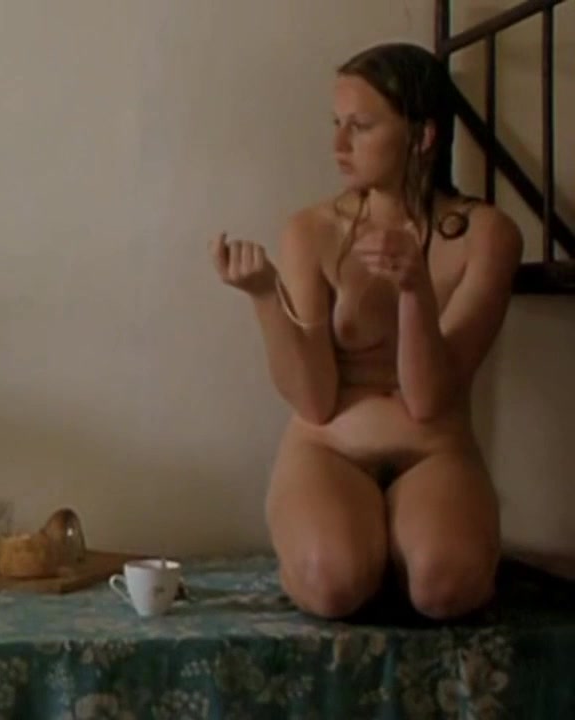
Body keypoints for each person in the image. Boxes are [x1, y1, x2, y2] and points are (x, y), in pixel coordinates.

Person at [210, 42, 523, 622]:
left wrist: (415, 290)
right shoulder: (312, 230)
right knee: (332, 584)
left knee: (446, 586)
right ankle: (356, 549)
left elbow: (428, 400)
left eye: (360, 126)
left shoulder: (486, 236)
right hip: (329, 447)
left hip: (435, 448)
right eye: (336, 124)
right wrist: (265, 297)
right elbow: (313, 399)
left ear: (422, 136)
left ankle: (405, 547)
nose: (338, 146)